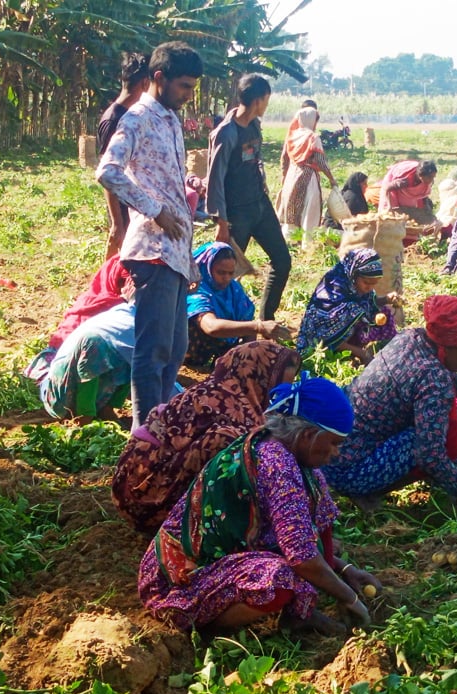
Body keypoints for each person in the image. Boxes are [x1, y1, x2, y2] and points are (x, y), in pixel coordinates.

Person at [139, 376, 382, 635]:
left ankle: (301, 614)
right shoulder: (276, 463)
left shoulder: (299, 462)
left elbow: (313, 532)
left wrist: (345, 569)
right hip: (178, 579)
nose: (335, 453)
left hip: (226, 560)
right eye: (334, 443)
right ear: (310, 435)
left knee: (298, 570)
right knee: (280, 580)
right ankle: (206, 630)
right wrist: (349, 598)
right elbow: (302, 558)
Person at [97, 41, 203, 429]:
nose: (189, 96)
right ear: (159, 78)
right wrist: (155, 209)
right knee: (153, 351)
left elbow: (167, 180)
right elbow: (108, 171)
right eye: (184, 87)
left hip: (174, 252)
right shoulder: (137, 118)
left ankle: (160, 427)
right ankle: (145, 437)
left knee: (175, 349)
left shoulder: (171, 119)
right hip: (151, 250)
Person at [322, 296, 457, 519]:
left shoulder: (410, 337)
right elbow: (430, 455)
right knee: (453, 436)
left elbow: (439, 366)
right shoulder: (434, 380)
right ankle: (368, 492)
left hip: (329, 456)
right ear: (447, 346)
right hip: (351, 473)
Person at [112, 341, 300, 533]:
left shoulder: (217, 391)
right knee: (237, 448)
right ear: (259, 379)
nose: (280, 396)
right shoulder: (229, 418)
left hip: (128, 488)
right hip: (147, 500)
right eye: (277, 386)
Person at [206, 74, 292, 322]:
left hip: (259, 205)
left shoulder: (254, 124)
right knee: (225, 273)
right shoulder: (226, 133)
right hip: (236, 214)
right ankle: (214, 321)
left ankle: (266, 319)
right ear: (258, 100)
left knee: (282, 261)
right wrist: (221, 221)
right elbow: (215, 178)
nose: (267, 104)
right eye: (267, 99)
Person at [184, 242, 291, 371]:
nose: (227, 278)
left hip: (220, 352)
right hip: (190, 354)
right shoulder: (195, 289)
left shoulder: (233, 290)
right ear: (207, 267)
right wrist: (258, 326)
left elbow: (247, 325)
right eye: (221, 272)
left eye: (231, 273)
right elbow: (211, 326)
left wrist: (246, 358)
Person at [296, 249, 398, 364]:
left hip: (345, 333)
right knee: (352, 311)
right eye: (366, 282)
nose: (369, 288)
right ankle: (352, 352)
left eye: (374, 283)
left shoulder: (355, 286)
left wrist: (386, 299)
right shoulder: (334, 287)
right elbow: (325, 335)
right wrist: (362, 353)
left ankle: (360, 351)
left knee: (383, 313)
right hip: (319, 344)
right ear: (354, 274)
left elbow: (369, 303)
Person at [97, 52, 152, 260]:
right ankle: (103, 287)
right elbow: (108, 173)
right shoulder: (115, 119)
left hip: (133, 201)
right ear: (146, 83)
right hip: (122, 205)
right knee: (120, 249)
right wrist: (117, 222)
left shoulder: (132, 115)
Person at [39, 303, 135, 422]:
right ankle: (84, 415)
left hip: (99, 397)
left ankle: (106, 408)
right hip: (61, 399)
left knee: (136, 360)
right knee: (93, 344)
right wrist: (86, 415)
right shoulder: (126, 317)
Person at [276, 106, 335, 240]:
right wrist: (331, 178)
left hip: (291, 175)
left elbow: (285, 156)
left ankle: (289, 240)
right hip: (307, 177)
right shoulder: (313, 138)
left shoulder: (293, 136)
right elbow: (320, 161)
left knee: (291, 207)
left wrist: (283, 174)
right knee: (309, 210)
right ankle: (307, 243)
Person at [377, 159, 438, 227]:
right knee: (390, 217)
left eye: (433, 177)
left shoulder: (426, 181)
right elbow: (387, 188)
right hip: (391, 185)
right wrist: (389, 206)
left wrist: (427, 207)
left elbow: (423, 195)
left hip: (408, 188)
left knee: (410, 211)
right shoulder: (404, 181)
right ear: (421, 176)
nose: (431, 180)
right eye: (429, 177)